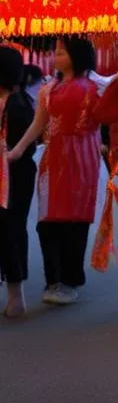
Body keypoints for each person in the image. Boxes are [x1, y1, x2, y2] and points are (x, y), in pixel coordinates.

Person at [7, 37, 107, 307]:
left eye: (61, 53)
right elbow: (39, 124)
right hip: (54, 157)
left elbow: (110, 116)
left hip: (83, 155)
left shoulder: (97, 86)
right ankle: (53, 279)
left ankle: (72, 279)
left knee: (75, 219)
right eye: (57, 52)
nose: (56, 57)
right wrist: (16, 151)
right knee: (48, 219)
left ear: (76, 56)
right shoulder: (48, 89)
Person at [1, 46, 37, 318]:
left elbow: (26, 144)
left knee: (11, 230)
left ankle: (16, 295)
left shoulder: (16, 103)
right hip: (17, 170)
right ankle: (15, 294)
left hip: (13, 173)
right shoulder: (21, 100)